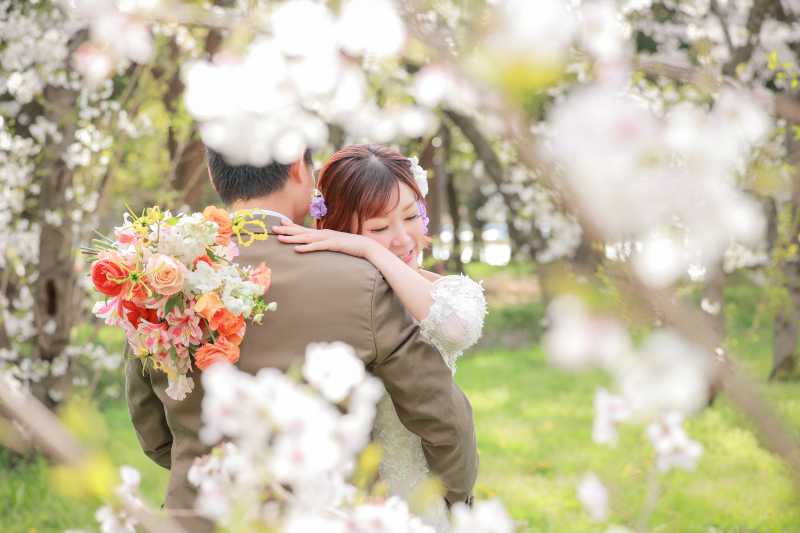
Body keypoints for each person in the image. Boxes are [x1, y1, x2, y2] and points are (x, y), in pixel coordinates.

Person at [124, 145, 479, 533]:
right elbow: (442, 418)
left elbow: (154, 434)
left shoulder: (159, 276)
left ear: (213, 177)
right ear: (298, 167)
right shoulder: (363, 281)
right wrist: (457, 500)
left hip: (200, 517)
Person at [273, 143, 488, 532]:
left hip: (424, 488)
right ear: (339, 228)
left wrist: (370, 248)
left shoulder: (451, 290)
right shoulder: (341, 294)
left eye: (410, 216)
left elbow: (454, 328)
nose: (403, 239)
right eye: (379, 228)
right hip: (346, 492)